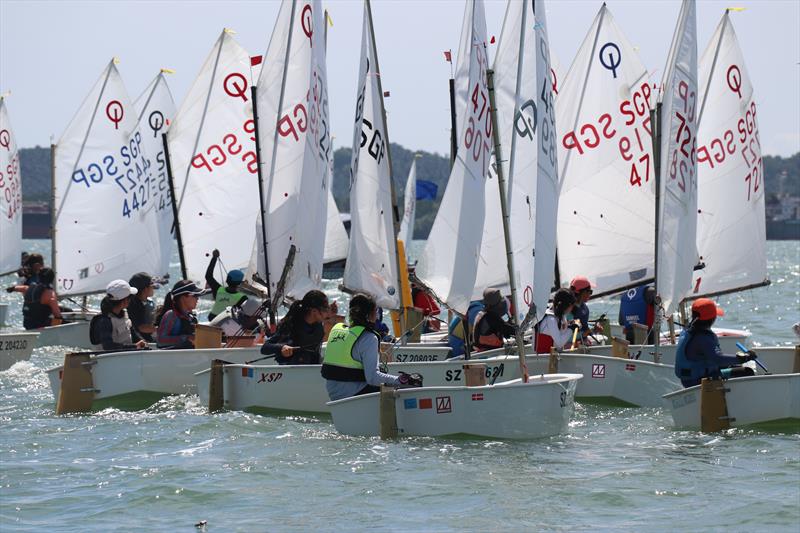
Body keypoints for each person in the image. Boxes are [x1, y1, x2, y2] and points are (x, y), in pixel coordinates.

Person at [322, 293, 419, 400]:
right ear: (370, 315)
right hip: (355, 396)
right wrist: (400, 380)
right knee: (410, 385)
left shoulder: (337, 329)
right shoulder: (369, 338)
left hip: (334, 395)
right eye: (376, 311)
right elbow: (372, 378)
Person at [674, 298, 756, 388]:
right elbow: (718, 359)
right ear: (712, 319)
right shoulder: (703, 338)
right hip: (699, 382)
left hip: (689, 380)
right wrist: (745, 357)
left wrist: (737, 361)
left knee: (735, 365)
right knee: (747, 371)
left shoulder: (687, 331)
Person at [260, 290, 330, 365]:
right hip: (291, 370)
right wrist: (282, 347)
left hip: (310, 369)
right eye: (326, 309)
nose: (328, 312)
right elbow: (265, 348)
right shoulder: (291, 324)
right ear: (314, 311)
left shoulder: (318, 326)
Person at [90, 280, 148, 351]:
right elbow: (108, 346)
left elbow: (134, 334)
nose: (131, 300)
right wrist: (134, 347)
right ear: (124, 300)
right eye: (130, 298)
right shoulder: (104, 320)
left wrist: (142, 342)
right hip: (109, 359)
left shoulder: (125, 315)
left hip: (127, 357)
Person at [156, 280, 204, 349]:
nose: (197, 299)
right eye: (195, 295)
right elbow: (160, 340)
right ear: (183, 298)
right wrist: (186, 338)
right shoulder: (171, 315)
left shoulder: (191, 317)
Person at [205, 249, 247, 320]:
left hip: (212, 323)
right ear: (239, 283)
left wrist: (214, 258)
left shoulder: (218, 289)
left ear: (227, 280)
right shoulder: (243, 298)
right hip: (228, 326)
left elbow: (208, 276)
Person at [535, 288, 577, 353]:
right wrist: (571, 329)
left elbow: (562, 334)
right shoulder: (550, 319)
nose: (572, 308)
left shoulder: (562, 316)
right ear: (565, 305)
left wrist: (570, 325)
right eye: (571, 306)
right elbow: (560, 343)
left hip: (554, 355)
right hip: (543, 358)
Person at [128, 272, 159, 343]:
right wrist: (160, 329)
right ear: (145, 289)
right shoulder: (134, 305)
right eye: (151, 285)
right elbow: (142, 327)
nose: (153, 287)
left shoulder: (147, 302)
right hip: (141, 341)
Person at [568, 276, 602, 342]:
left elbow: (583, 324)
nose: (590, 294)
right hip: (572, 345)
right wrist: (583, 334)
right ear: (580, 292)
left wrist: (594, 327)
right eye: (589, 291)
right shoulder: (568, 310)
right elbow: (566, 337)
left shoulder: (583, 306)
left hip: (583, 341)